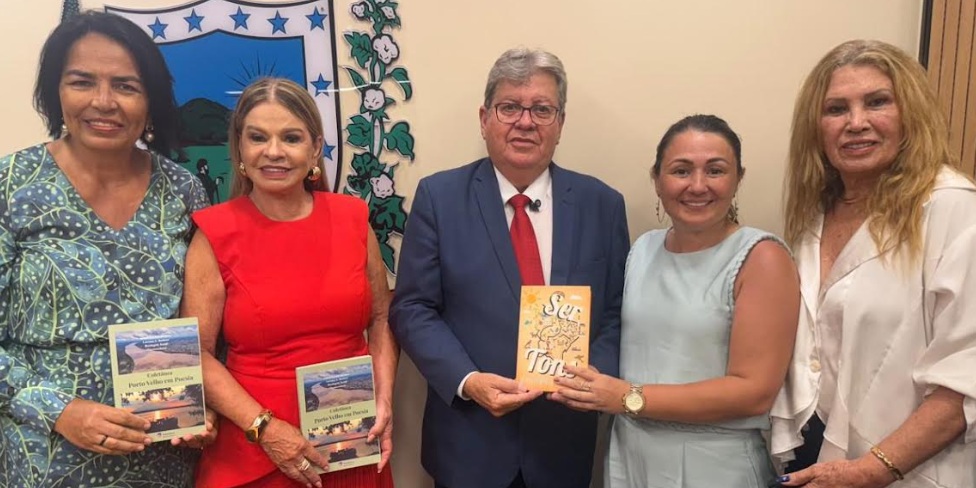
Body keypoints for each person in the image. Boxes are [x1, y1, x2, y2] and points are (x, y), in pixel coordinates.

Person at [389, 47, 630, 488]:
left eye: (542, 109)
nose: (525, 121)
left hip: (563, 445)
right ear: (484, 119)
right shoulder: (439, 198)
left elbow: (616, 310)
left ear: (560, 123)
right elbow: (412, 308)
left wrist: (594, 374)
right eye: (509, 107)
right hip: (469, 443)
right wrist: (467, 380)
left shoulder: (603, 205)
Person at [0, 11, 213, 488]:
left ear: (151, 100)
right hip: (46, 459)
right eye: (82, 82)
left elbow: (205, 322)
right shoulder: (11, 185)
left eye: (125, 86)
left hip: (164, 459)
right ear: (56, 91)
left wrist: (205, 407)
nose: (103, 101)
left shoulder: (183, 191)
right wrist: (59, 410)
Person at [551, 114, 800, 487]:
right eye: (681, 171)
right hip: (630, 455)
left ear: (738, 178)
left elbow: (754, 392)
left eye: (715, 170)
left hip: (712, 464)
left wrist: (628, 398)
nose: (697, 186)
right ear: (657, 179)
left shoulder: (761, 256)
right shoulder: (643, 249)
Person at [772, 39, 976, 488]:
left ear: (910, 114)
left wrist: (870, 470)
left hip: (906, 466)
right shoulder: (814, 216)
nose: (856, 123)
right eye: (836, 109)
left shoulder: (953, 207)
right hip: (811, 452)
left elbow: (967, 372)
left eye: (877, 102)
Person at [183, 77, 398, 488]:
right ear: (240, 147)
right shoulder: (214, 233)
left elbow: (382, 317)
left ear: (315, 148)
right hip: (256, 448)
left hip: (352, 439)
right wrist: (265, 429)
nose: (274, 151)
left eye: (291, 138)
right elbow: (196, 354)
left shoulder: (353, 218)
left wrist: (384, 397)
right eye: (258, 137)